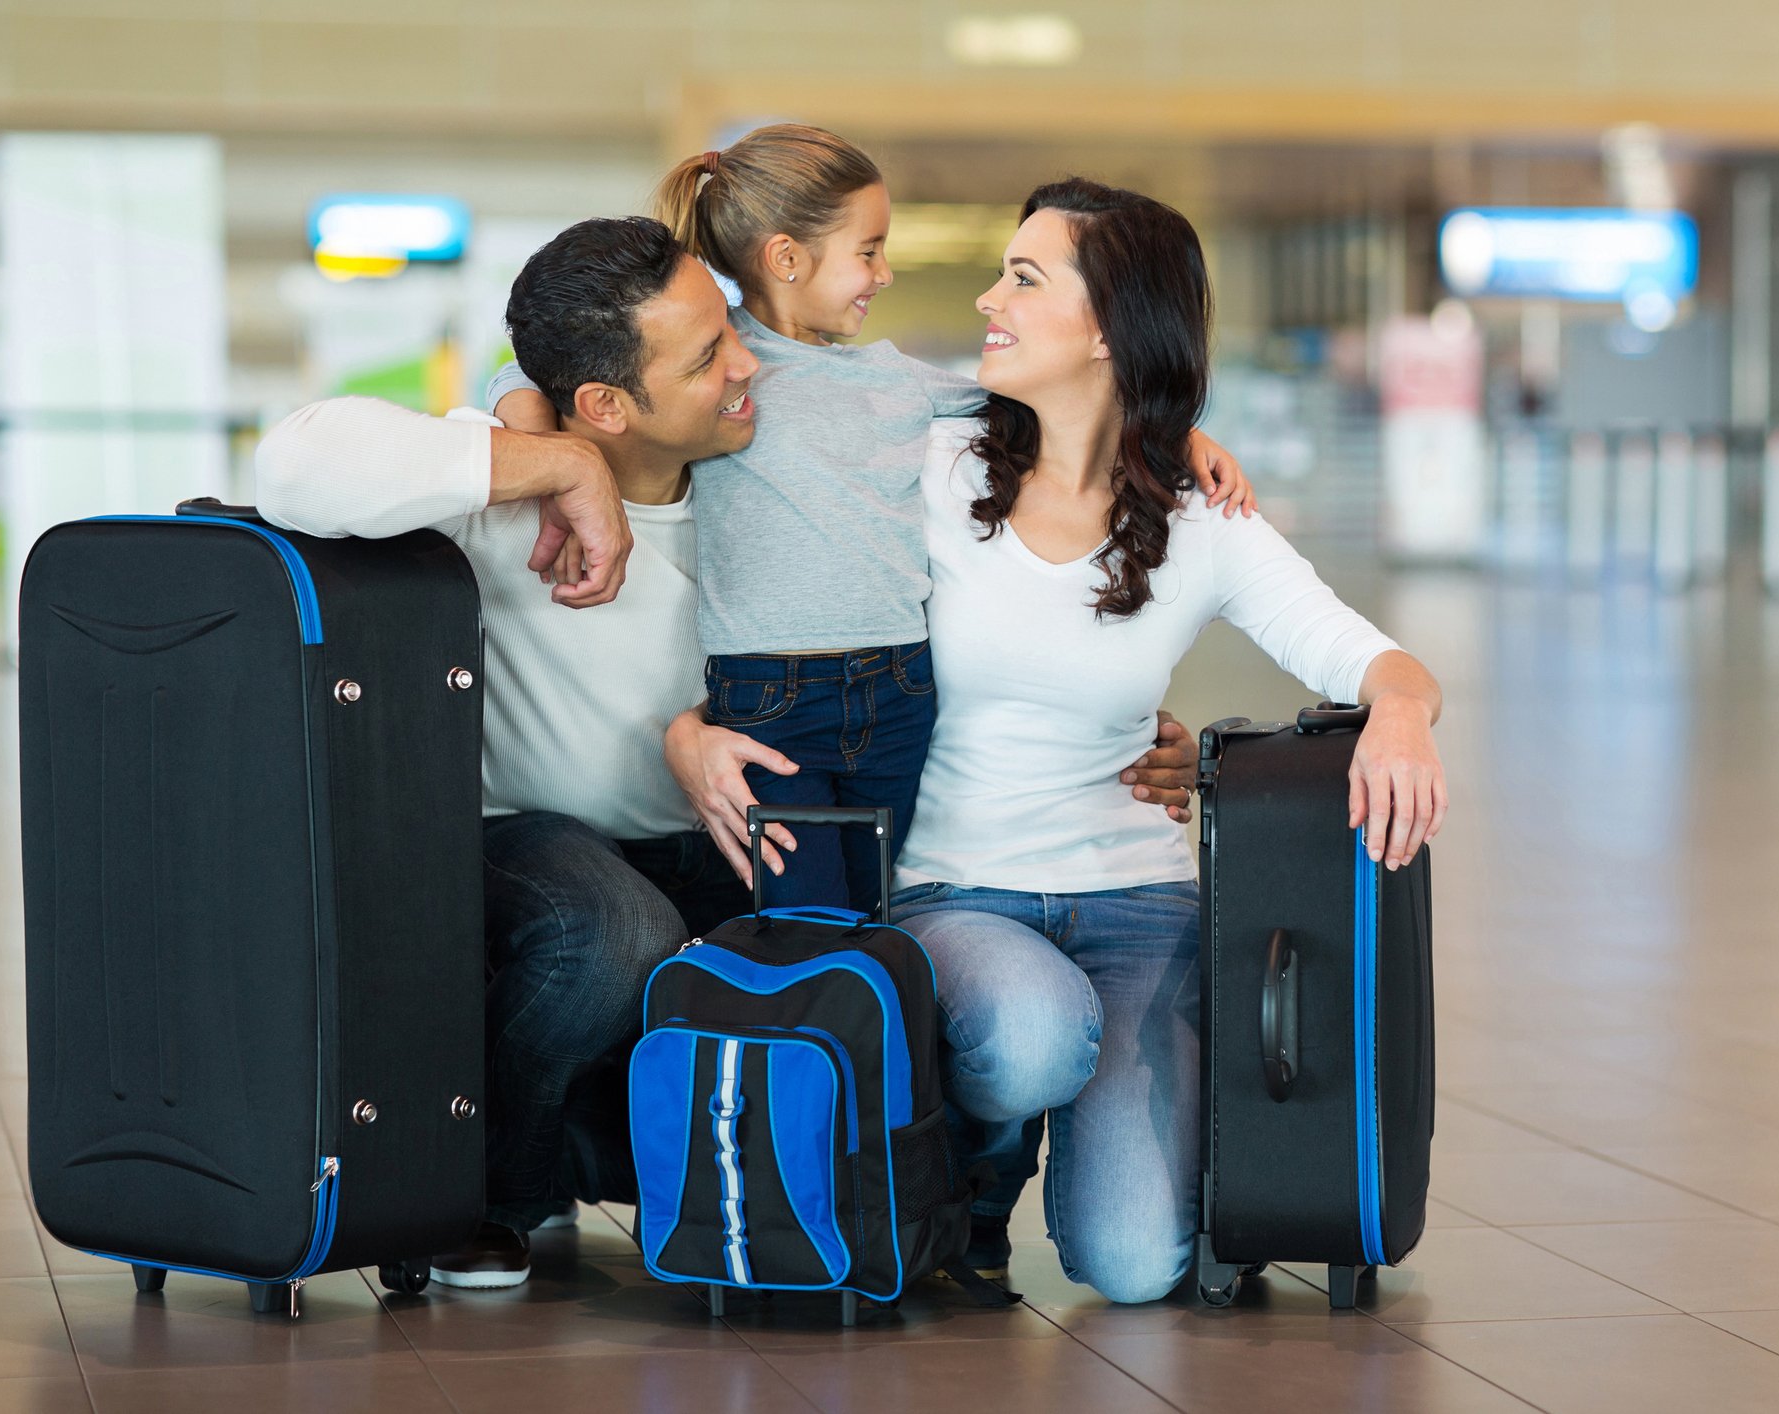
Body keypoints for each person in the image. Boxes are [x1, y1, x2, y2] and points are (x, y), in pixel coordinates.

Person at [666, 178, 1449, 1304]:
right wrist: (688, 731)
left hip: (1140, 904)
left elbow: (1368, 655)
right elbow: (727, 576)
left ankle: (1058, 1146)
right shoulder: (920, 470)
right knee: (1035, 1035)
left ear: (1108, 328)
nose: (989, 297)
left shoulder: (1198, 516)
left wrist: (1405, 713)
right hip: (951, 891)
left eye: (1024, 279)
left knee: (1135, 1270)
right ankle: (977, 1176)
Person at [490, 124, 1253, 915]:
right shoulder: (721, 367)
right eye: (869, 251)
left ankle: (877, 1028)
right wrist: (550, 452)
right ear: (786, 260)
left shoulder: (898, 382)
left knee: (888, 906)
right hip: (769, 695)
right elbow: (542, 361)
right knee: (807, 919)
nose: (884, 274)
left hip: (896, 686)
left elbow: (1061, 402)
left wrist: (1172, 430)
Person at [255, 216, 763, 1289]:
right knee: (613, 934)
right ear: (606, 405)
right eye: (709, 353)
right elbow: (295, 461)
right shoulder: (505, 491)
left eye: (733, 331)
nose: (746, 364)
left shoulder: (764, 483)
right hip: (525, 838)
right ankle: (487, 1191)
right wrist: (555, 462)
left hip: (717, 833)